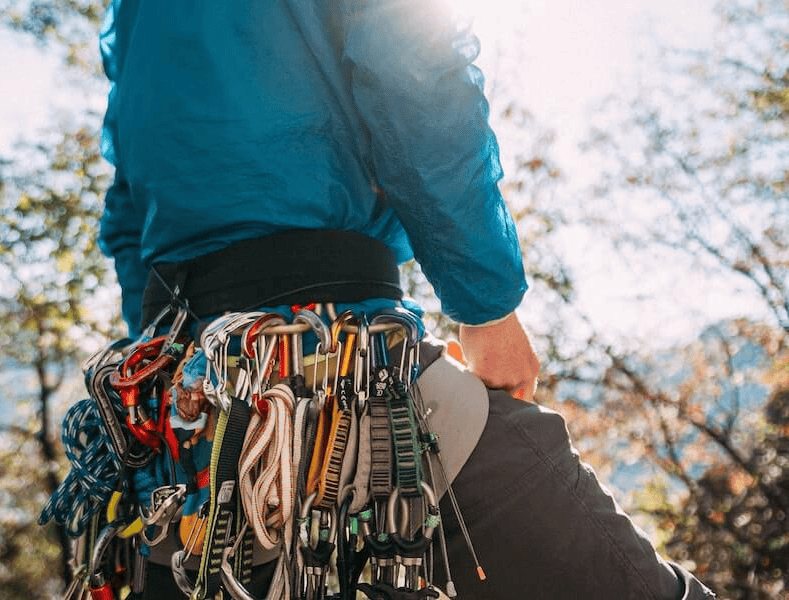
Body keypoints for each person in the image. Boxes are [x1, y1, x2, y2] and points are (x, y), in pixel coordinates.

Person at [96, 0, 716, 598]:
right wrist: (487, 308)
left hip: (178, 418)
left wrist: (166, 371)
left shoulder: (134, 12)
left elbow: (128, 207)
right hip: (344, 353)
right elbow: (415, 74)